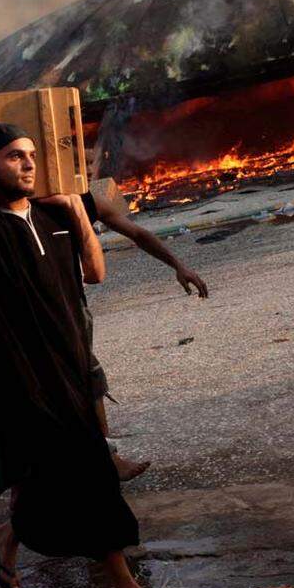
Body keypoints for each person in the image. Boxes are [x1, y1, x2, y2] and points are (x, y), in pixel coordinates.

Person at [0, 97, 184, 588]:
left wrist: (74, 214)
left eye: (33, 156)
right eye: (15, 156)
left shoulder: (52, 215)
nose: (28, 164)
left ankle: (2, 537)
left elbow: (95, 274)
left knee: (45, 475)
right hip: (20, 375)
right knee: (87, 472)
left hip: (68, 365)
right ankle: (123, 587)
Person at [78, 190, 209, 481]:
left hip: (72, 306)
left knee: (91, 380)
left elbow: (137, 233)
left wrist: (178, 265)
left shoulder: (81, 202)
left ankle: (106, 457)